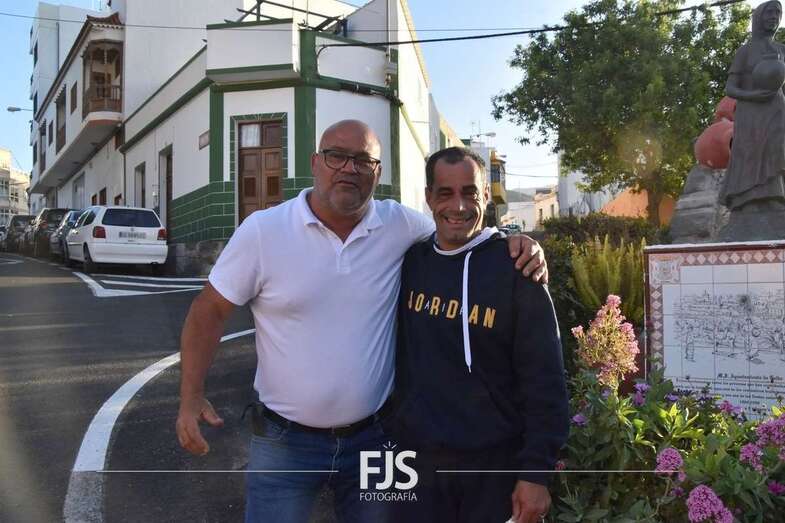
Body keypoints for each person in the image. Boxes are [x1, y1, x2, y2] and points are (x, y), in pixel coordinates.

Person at [175, 120, 549, 522]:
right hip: (285, 445)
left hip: (375, 441)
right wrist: (190, 396)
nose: (349, 168)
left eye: (363, 161)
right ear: (316, 163)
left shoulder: (398, 225)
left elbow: (459, 228)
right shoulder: (264, 232)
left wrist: (514, 241)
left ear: (377, 173)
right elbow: (208, 310)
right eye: (337, 156)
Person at [391, 147, 569, 523]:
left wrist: (536, 473)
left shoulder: (517, 269)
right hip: (415, 467)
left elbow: (546, 379)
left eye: (470, 192)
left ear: (486, 196)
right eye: (445, 193)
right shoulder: (409, 263)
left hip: (493, 470)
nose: (458, 206)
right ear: (428, 198)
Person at [719, 0, 785, 211]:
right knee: (749, 153)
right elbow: (730, 88)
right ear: (759, 17)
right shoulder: (745, 51)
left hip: (776, 110)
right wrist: (752, 95)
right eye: (769, 13)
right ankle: (745, 201)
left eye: (778, 13)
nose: (774, 17)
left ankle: (774, 197)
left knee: (775, 151)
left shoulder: (782, 50)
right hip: (750, 111)